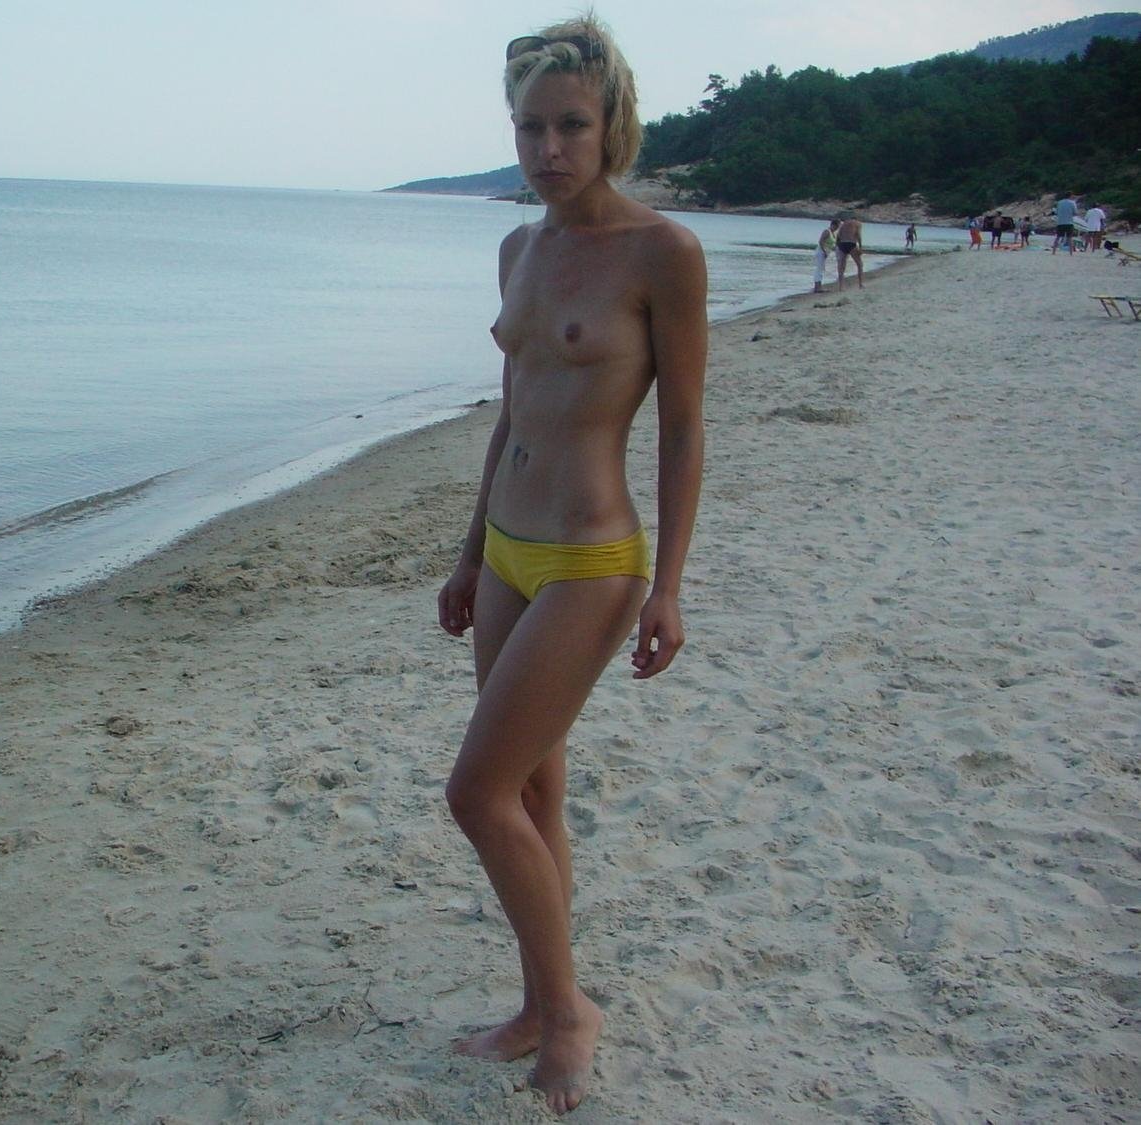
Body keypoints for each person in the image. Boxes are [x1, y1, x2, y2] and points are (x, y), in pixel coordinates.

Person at [437, 13, 706, 1114]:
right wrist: (468, 555)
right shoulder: (518, 250)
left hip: (593, 558)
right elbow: (511, 414)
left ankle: (569, 1012)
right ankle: (538, 1003)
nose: (547, 149)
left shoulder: (661, 253)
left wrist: (669, 585)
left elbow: (683, 427)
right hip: (508, 549)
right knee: (533, 787)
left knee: (475, 791)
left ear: (611, 127)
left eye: (570, 126)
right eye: (529, 127)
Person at [836, 213, 864, 290]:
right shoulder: (858, 223)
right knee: (860, 264)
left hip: (842, 244)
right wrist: (860, 247)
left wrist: (837, 245)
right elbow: (858, 235)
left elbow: (838, 235)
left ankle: (841, 286)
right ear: (857, 219)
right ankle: (860, 284)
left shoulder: (844, 223)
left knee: (842, 266)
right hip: (851, 244)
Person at [815, 218, 840, 291]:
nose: (837, 229)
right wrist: (824, 251)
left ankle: (819, 286)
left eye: (838, 227)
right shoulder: (827, 231)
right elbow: (821, 242)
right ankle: (817, 287)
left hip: (825, 252)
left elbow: (832, 245)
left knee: (821, 268)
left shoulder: (833, 233)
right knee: (819, 269)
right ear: (832, 225)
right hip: (821, 251)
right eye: (836, 227)